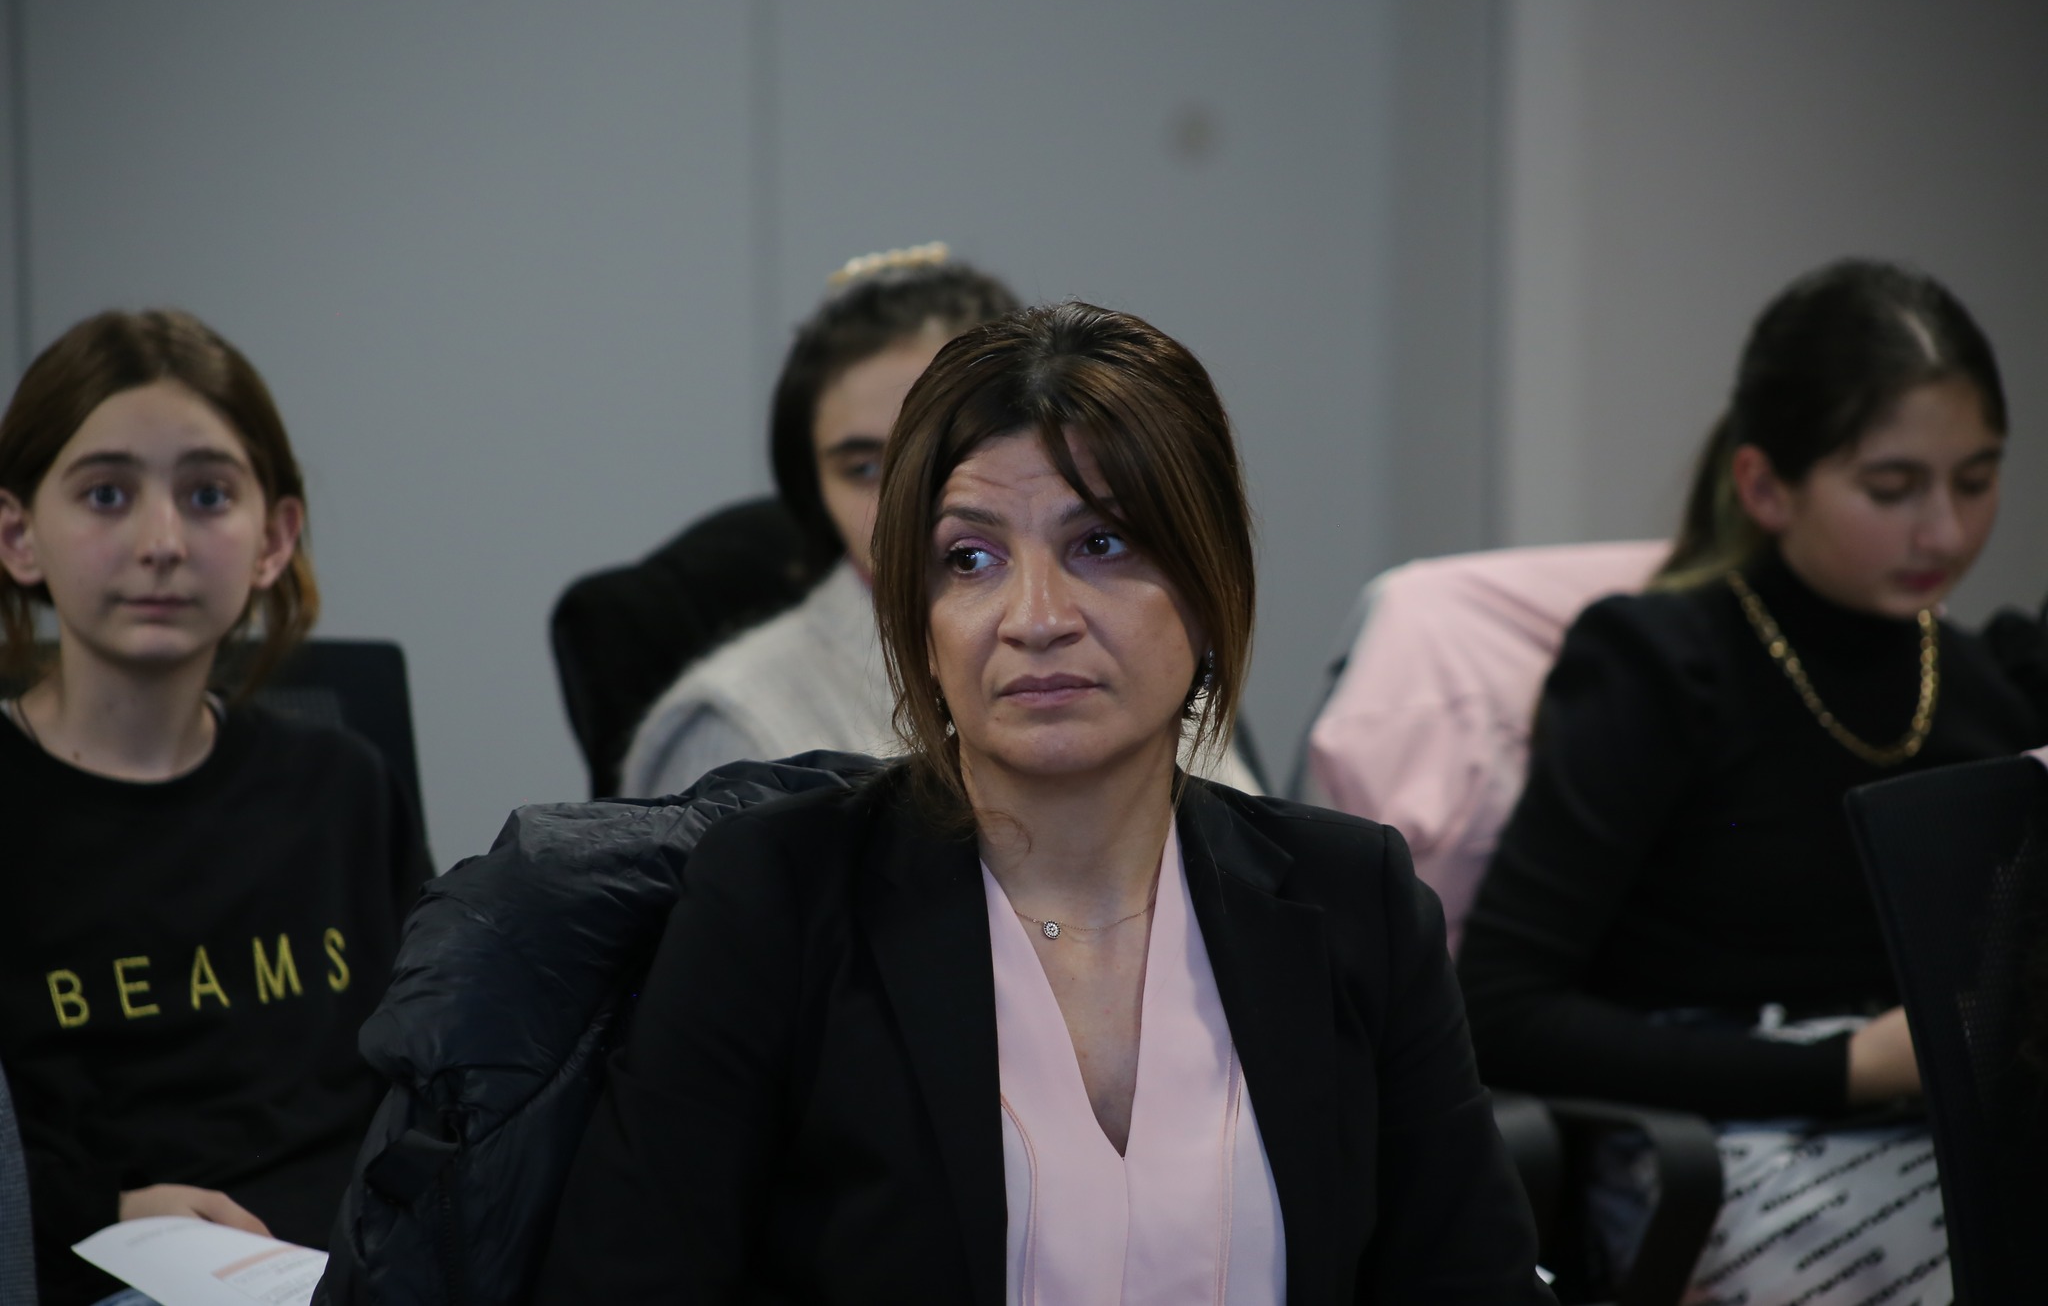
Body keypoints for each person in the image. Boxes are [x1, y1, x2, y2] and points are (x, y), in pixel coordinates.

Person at [534, 302, 1551, 1304]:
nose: (1035, 618)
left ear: (1209, 587)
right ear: (918, 620)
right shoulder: (776, 900)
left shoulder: (1354, 898)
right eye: (969, 559)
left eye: (1100, 543)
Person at [1457, 260, 2043, 1303]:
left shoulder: (1986, 682)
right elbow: (1499, 1008)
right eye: (1891, 488)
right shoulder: (1661, 665)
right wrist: (1848, 1068)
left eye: (1975, 479)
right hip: (1712, 1144)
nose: (1946, 533)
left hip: (1928, 1122)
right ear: (1765, 487)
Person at [0, 310, 431, 1306]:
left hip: (358, 1270)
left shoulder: (343, 787)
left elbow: (434, 1073)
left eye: (207, 495)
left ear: (273, 538)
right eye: (106, 494)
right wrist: (103, 1211)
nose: (161, 543)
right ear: (18, 535)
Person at [619, 247, 1265, 798]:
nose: (906, 495)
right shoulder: (729, 720)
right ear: (810, 485)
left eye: (1101, 542)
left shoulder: (1144, 662)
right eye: (864, 467)